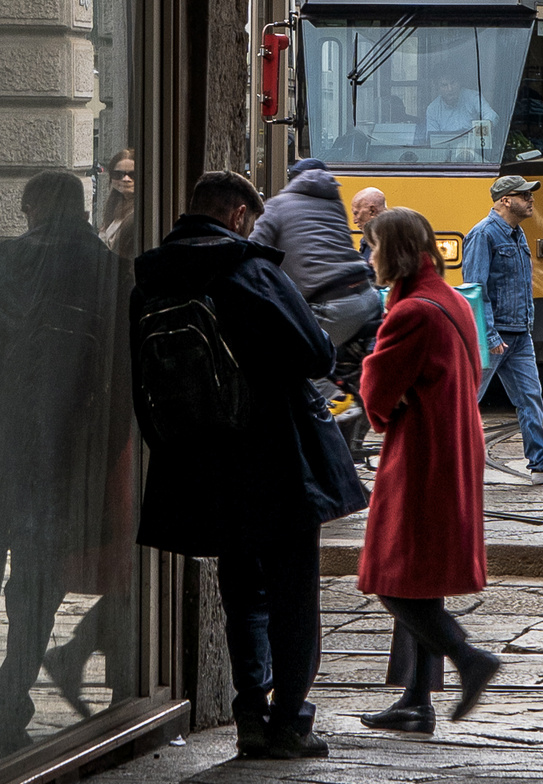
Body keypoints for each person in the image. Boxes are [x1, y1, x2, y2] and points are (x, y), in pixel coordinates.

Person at [131, 171, 368, 759]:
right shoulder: (249, 270)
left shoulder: (150, 280)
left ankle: (248, 716)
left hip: (201, 462)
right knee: (292, 594)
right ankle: (289, 719)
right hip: (276, 458)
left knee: (241, 593)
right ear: (238, 215)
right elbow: (315, 350)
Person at [0, 171, 124, 756]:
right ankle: (12, 701)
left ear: (32, 210)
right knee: (35, 583)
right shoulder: (106, 274)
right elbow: (118, 381)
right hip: (56, 453)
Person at [356, 209, 503, 736]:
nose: (369, 256)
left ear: (391, 251)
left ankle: (469, 658)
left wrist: (371, 380)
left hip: (420, 452)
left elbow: (377, 387)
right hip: (455, 445)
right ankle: (417, 700)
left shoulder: (409, 312)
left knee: (390, 577)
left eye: (373, 246)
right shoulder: (452, 298)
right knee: (422, 579)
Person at [463, 176, 543, 484]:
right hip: (494, 336)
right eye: (524, 194)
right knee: (465, 401)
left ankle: (541, 464)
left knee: (530, 398)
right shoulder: (484, 235)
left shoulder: (517, 235)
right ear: (505, 200)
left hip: (518, 333)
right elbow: (476, 291)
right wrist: (488, 336)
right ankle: (444, 464)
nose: (531, 199)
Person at [250, 159, 382, 362]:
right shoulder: (334, 204)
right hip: (366, 297)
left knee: (288, 364)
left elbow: (253, 253)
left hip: (329, 309)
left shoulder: (276, 206)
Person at [424, 68, 496, 138]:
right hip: (446, 149)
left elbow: (491, 115)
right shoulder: (432, 109)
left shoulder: (473, 97)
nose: (450, 89)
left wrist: (481, 132)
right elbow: (432, 139)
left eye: (453, 83)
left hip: (474, 148)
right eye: (444, 85)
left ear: (459, 82)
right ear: (437, 88)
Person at [100, 148, 138, 258]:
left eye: (133, 175)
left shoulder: (142, 210)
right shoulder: (114, 206)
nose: (126, 179)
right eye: (118, 174)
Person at [352, 187, 387, 262]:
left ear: (372, 211)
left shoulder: (387, 241)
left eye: (356, 213)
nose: (354, 221)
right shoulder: (368, 238)